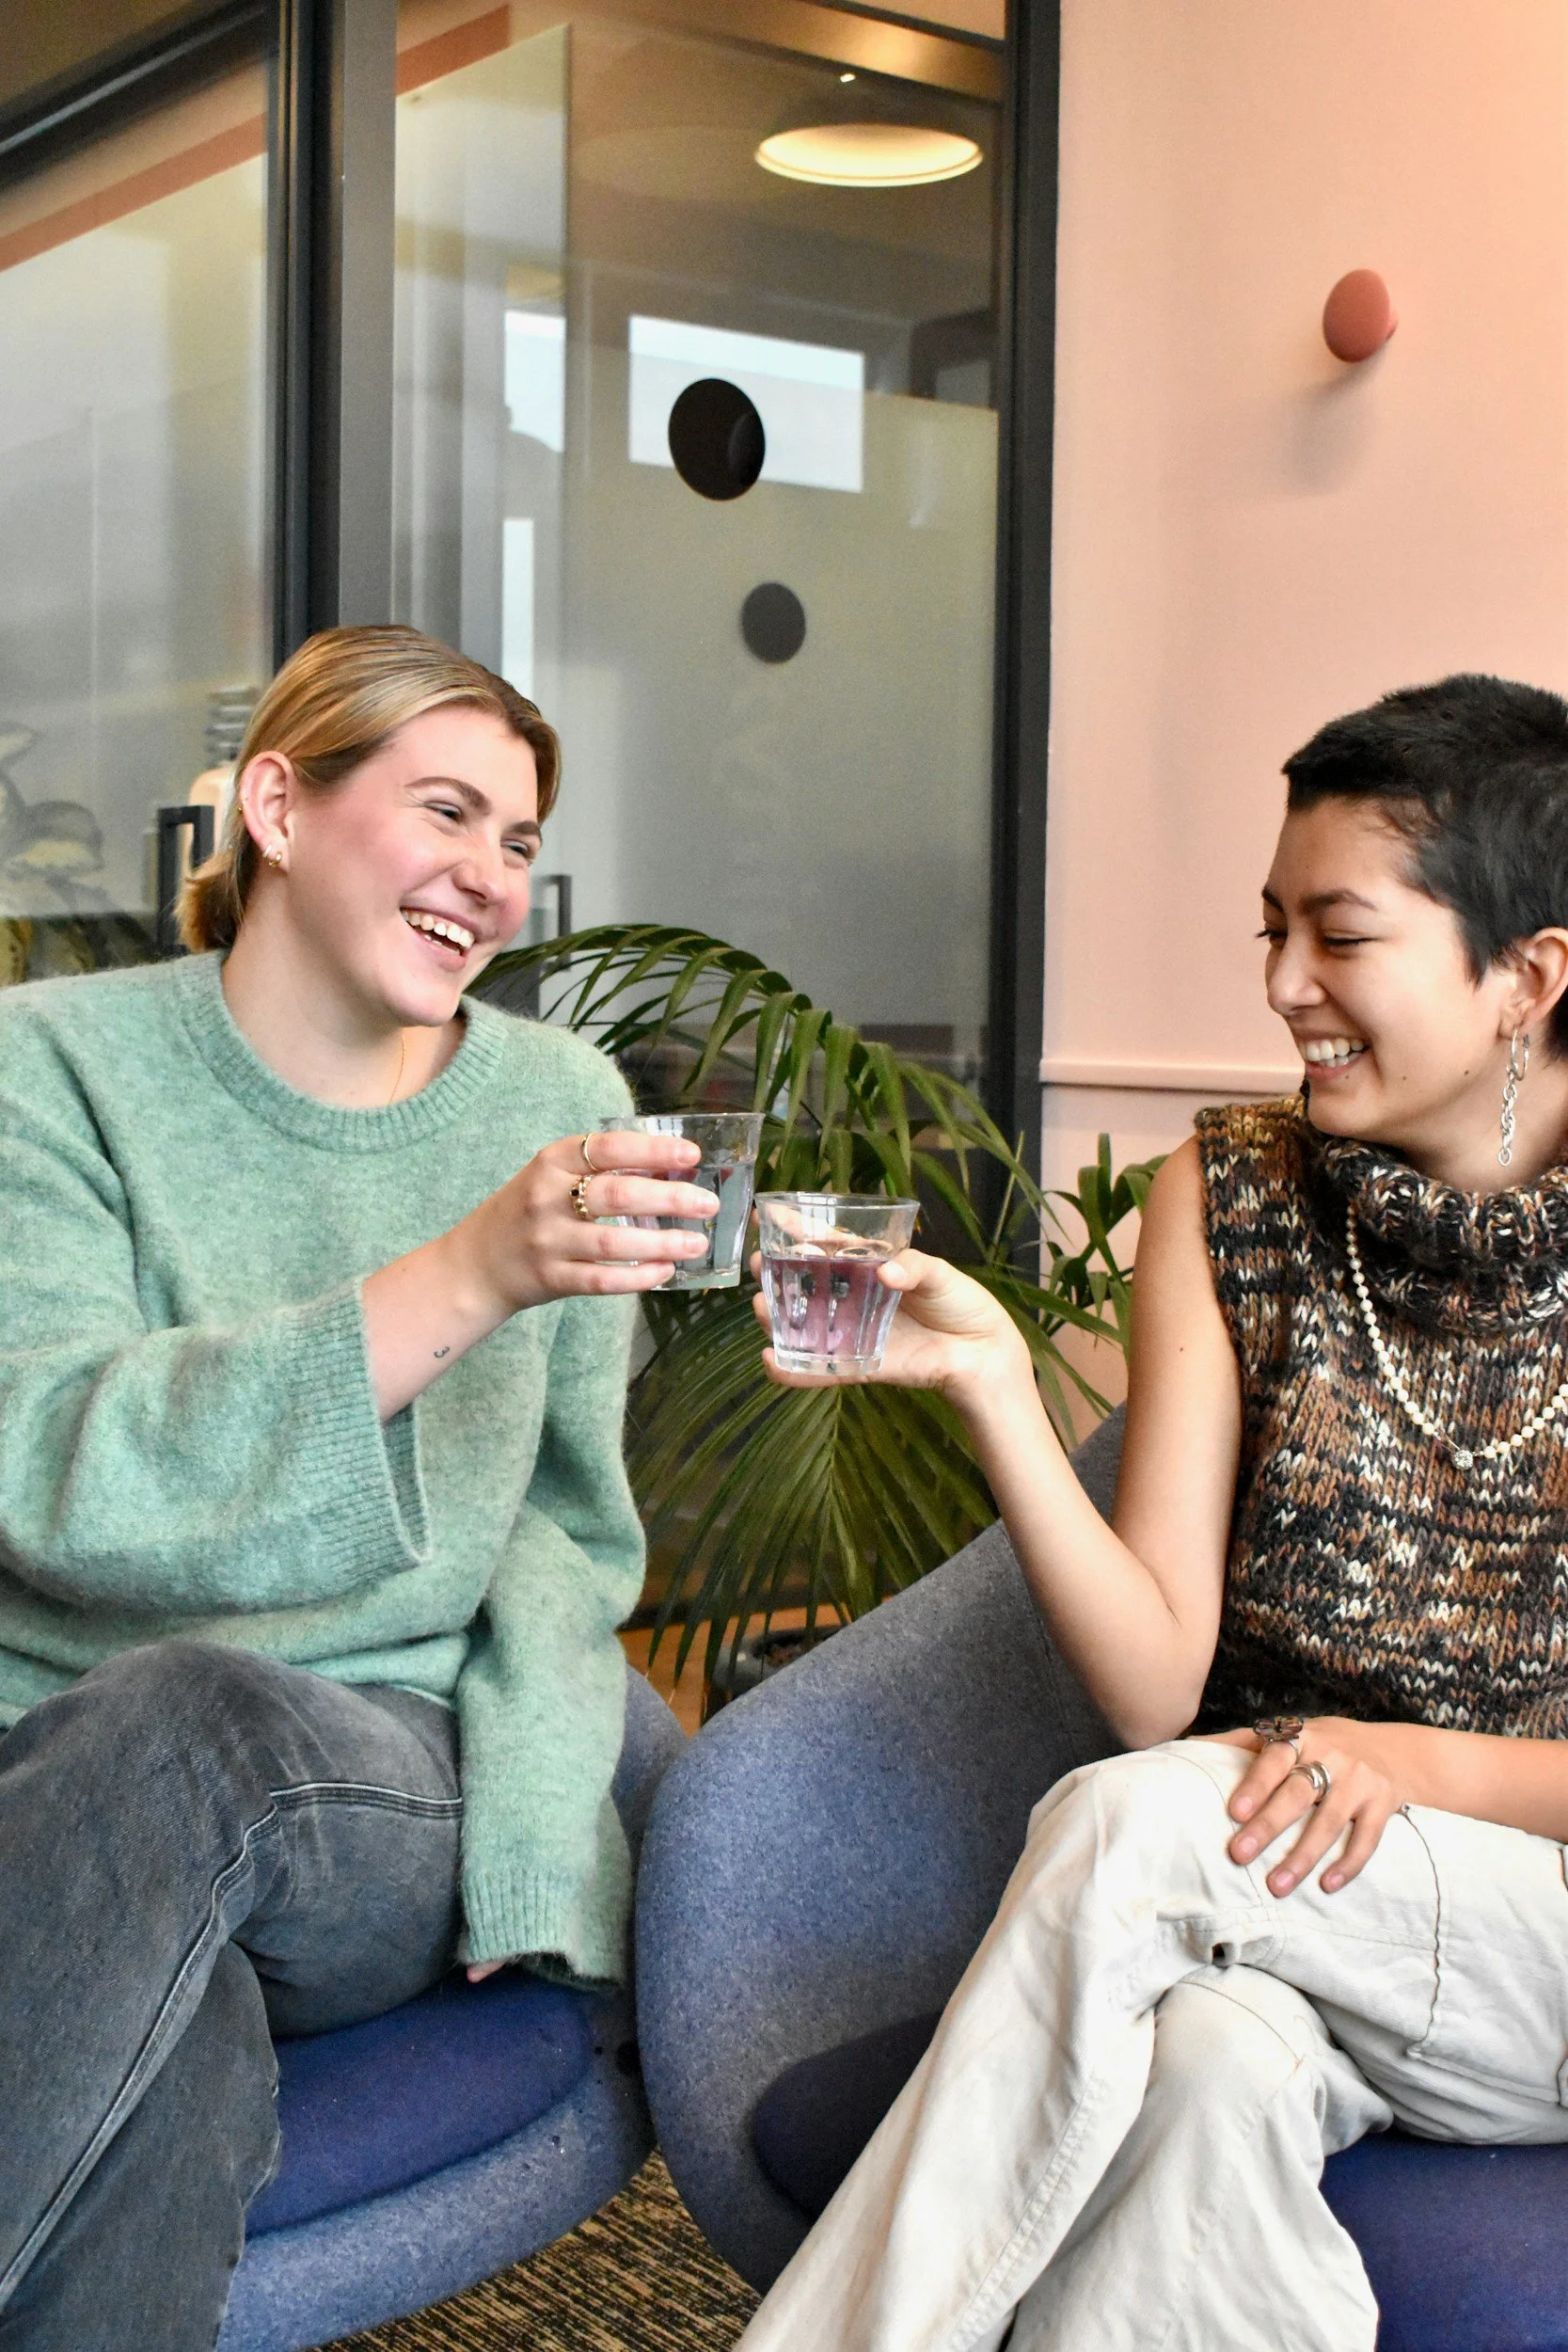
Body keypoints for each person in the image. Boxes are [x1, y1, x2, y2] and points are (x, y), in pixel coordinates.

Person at [740, 672, 1568, 2352]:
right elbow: (1152, 1687)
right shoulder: (1233, 1198)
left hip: (1516, 1937)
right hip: (1263, 1893)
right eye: (1269, 931)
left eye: (1337, 936)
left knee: (1131, 1823)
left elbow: (1158, 1780)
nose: (1280, 988)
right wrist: (994, 1387)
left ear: (1526, 976)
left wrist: (1416, 1766)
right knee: (1195, 2079)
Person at [0, 624, 717, 2350]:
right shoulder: (52, 1064)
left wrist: (545, 1841)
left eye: (521, 843)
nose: (491, 878)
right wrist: (459, 1277)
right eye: (449, 813)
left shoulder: (556, 1105)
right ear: (278, 805)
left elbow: (562, 1535)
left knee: (192, 1728)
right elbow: (49, 1472)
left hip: (374, 1777)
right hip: (49, 1764)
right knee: (162, 2046)